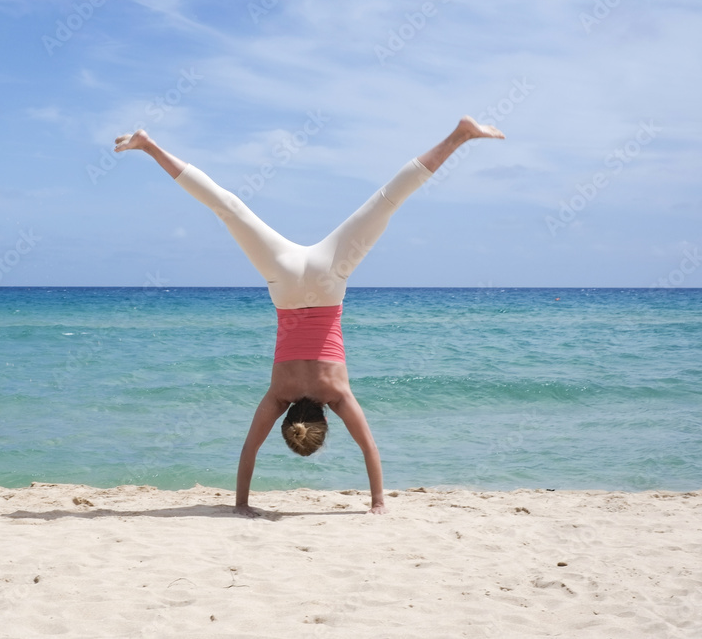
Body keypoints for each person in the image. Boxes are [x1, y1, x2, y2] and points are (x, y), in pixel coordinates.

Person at [114, 116, 505, 517]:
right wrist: (241, 505)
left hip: (328, 279)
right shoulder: (277, 395)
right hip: (283, 281)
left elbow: (368, 448)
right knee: (227, 207)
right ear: (289, 421)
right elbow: (249, 451)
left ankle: (460, 136)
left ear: (325, 420)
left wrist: (378, 503)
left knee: (388, 200)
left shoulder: (336, 394)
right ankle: (149, 145)